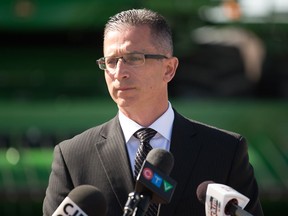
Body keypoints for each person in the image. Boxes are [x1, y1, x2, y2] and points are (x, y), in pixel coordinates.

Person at [43, 8, 263, 216]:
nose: (119, 72)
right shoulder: (72, 158)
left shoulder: (225, 151)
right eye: (111, 61)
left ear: (169, 69)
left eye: (133, 59)